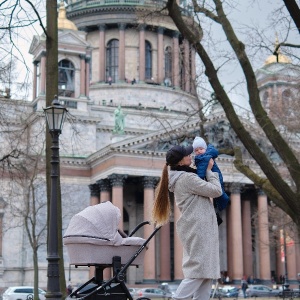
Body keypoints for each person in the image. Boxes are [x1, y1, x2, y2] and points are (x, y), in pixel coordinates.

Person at [152, 144, 222, 300]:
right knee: (198, 271)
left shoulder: (185, 176)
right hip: (199, 228)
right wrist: (210, 171)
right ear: (180, 161)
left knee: (206, 273)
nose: (191, 156)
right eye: (187, 155)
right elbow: (216, 191)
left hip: (199, 227)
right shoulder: (186, 178)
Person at [192, 136, 229, 213]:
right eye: (196, 150)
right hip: (214, 178)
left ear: (205, 149)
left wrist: (199, 180)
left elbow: (201, 172)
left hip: (213, 177)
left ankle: (221, 203)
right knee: (220, 192)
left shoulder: (204, 158)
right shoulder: (205, 156)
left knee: (219, 192)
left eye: (201, 149)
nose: (199, 151)